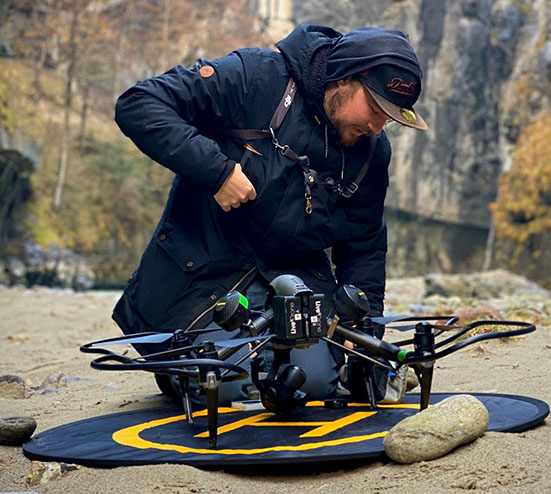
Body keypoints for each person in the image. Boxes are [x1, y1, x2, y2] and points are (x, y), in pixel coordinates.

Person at [112, 24, 427, 405]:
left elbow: (364, 248)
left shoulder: (372, 152)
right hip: (202, 278)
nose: (377, 126)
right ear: (345, 77)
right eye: (375, 108)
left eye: (389, 118)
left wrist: (362, 331)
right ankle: (181, 366)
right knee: (227, 384)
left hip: (295, 288)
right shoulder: (255, 77)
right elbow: (139, 103)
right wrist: (218, 172)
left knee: (313, 387)